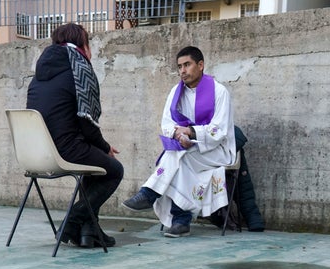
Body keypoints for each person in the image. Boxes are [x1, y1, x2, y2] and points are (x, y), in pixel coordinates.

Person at [122, 46, 236, 238]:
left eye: (187, 65)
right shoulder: (176, 92)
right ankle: (180, 221)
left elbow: (220, 129)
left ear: (200, 65)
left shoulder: (219, 91)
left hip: (217, 150)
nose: (183, 70)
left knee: (177, 157)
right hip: (187, 149)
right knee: (180, 159)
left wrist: (191, 132)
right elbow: (166, 124)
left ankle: (150, 194)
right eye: (180, 66)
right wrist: (179, 136)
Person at [26, 23, 123, 248]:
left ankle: (90, 232)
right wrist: (106, 146)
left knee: (95, 158)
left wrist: (99, 146)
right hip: (65, 149)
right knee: (114, 169)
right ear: (83, 44)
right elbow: (87, 124)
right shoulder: (78, 69)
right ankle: (71, 222)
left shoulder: (39, 75)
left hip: (38, 152)